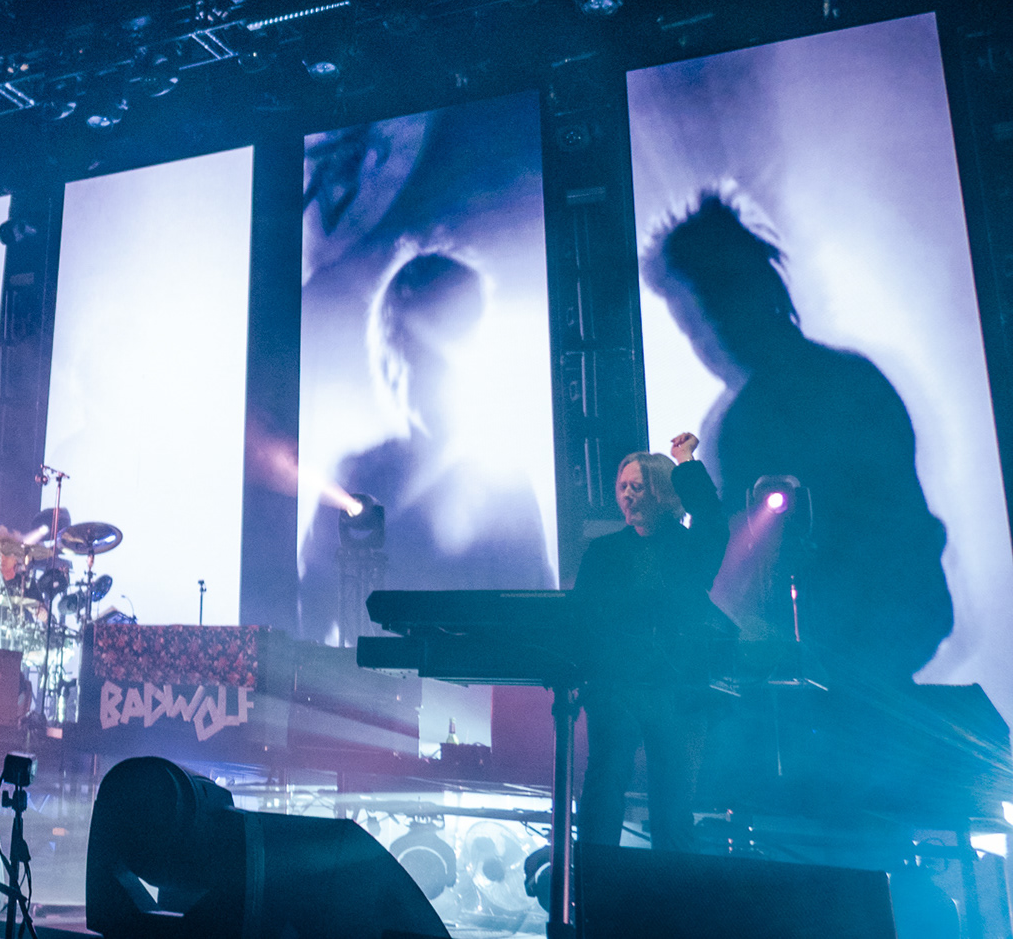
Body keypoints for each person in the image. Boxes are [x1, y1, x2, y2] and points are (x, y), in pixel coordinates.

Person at [643, 194, 952, 688]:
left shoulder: (746, 421)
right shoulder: (855, 378)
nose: (703, 343)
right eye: (690, 329)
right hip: (873, 670)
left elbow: (734, 587)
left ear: (740, 296)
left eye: (700, 322)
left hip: (818, 686)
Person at [302, 253, 552, 639]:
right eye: (423, 346)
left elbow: (540, 620)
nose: (442, 360)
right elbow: (312, 617)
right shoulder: (355, 480)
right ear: (393, 358)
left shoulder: (507, 488)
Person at [572, 434, 734, 852]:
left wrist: (686, 462)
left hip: (675, 688)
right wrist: (583, 675)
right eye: (622, 486)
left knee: (673, 803)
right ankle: (596, 879)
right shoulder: (604, 552)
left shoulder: (690, 550)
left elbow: (712, 520)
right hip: (616, 687)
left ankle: (673, 886)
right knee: (604, 786)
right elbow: (582, 618)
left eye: (637, 486)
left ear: (661, 492)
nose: (626, 495)